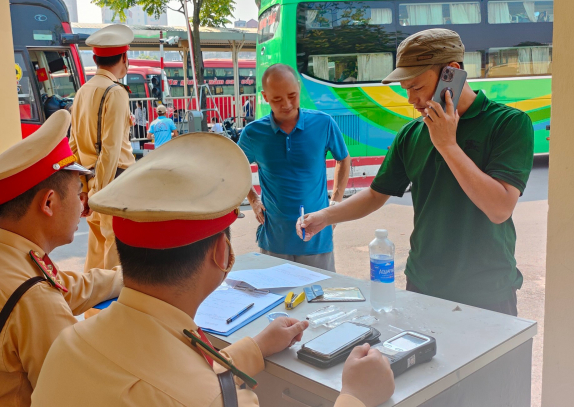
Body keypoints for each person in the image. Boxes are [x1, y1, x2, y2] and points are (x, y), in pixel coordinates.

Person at [31, 133, 394, 407]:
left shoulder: (70, 345)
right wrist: (355, 396)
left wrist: (254, 347)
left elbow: (172, 367)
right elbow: (183, 383)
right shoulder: (208, 400)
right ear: (223, 252)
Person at [299, 29, 534, 316]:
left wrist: (447, 144)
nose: (411, 99)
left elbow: (499, 208)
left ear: (452, 72)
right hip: (423, 282)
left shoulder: (508, 123)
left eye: (417, 87)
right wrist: (324, 216)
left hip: (487, 288)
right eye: (405, 88)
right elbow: (376, 194)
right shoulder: (411, 133)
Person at [0, 110, 123, 407]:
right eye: (79, 192)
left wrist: (127, 279)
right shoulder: (32, 296)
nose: (84, 206)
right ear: (48, 203)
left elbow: (65, 288)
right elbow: (80, 395)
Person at [238, 64, 351, 272]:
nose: (287, 104)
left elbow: (343, 159)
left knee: (320, 299)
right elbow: (236, 168)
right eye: (277, 99)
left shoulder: (323, 124)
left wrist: (335, 203)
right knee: (279, 301)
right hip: (275, 238)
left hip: (317, 237)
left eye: (292, 95)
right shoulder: (254, 133)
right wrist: (253, 199)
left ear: (299, 88)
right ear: (265, 96)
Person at [68, 24, 134, 275]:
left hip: (91, 181)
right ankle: (110, 313)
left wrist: (84, 189)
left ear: (95, 59)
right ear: (125, 59)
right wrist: (98, 194)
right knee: (115, 259)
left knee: (96, 254)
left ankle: (93, 313)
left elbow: (73, 145)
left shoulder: (82, 91)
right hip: (113, 184)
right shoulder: (116, 92)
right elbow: (110, 151)